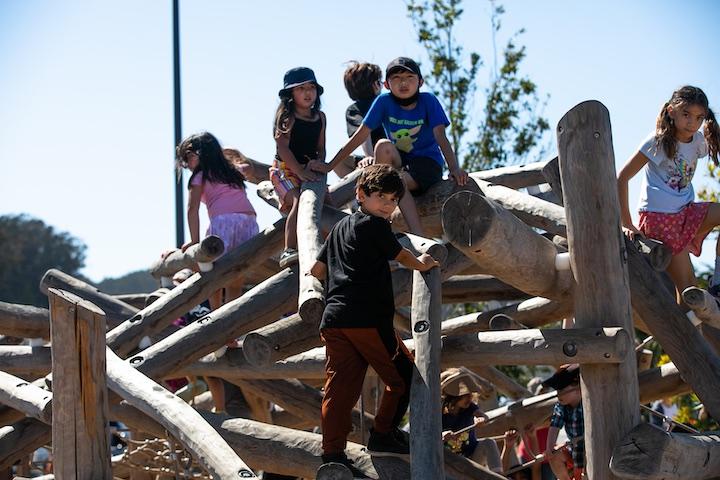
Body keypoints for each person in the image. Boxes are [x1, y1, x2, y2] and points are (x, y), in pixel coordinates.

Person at [309, 164, 440, 475]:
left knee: (339, 389)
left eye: (393, 200)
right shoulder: (376, 225)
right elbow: (401, 255)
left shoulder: (340, 228)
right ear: (361, 195)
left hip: (335, 319)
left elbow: (317, 270)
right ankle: (382, 434)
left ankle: (332, 454)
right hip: (366, 317)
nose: (387, 205)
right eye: (380, 196)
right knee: (405, 376)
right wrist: (422, 265)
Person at [309, 56, 468, 235]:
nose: (403, 83)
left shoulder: (428, 101)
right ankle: (374, 215)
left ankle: (419, 237)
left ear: (421, 82)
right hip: (401, 162)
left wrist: (455, 168)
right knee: (383, 146)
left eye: (409, 78)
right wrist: (329, 166)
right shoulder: (384, 102)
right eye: (396, 79)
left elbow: (440, 136)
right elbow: (359, 136)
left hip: (426, 164)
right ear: (386, 85)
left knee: (395, 180)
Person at [176, 132, 259, 413]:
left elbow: (191, 209)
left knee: (212, 279)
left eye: (187, 157)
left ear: (199, 153)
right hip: (249, 223)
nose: (186, 163)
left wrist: (196, 242)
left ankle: (216, 328)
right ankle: (231, 332)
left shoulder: (200, 175)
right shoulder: (229, 171)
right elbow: (246, 170)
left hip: (222, 224)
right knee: (235, 281)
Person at [618, 85, 720, 305]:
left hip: (686, 213)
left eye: (699, 117)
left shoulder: (699, 142)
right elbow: (621, 178)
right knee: (689, 290)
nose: (692, 123)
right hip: (660, 219)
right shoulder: (657, 142)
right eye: (686, 115)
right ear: (672, 111)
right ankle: (686, 337)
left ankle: (718, 283)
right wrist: (626, 223)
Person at [270, 66, 327, 267]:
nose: (308, 92)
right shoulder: (288, 118)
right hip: (285, 169)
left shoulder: (320, 117)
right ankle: (289, 249)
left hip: (309, 168)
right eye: (301, 88)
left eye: (311, 87)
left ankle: (326, 248)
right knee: (299, 201)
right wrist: (300, 172)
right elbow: (283, 149)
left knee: (326, 202)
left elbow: (321, 148)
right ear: (290, 94)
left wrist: (319, 162)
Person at [440, 367, 502, 473]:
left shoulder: (470, 407)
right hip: (449, 463)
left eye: (470, 394)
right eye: (465, 394)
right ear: (452, 396)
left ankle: (498, 475)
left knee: (489, 443)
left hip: (472, 458)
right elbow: (430, 437)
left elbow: (483, 417)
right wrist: (441, 436)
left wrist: (481, 419)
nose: (469, 397)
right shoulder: (438, 413)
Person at [334, 61, 386, 177]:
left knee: (338, 163)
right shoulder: (356, 109)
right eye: (379, 81)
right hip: (374, 156)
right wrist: (370, 158)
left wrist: (369, 157)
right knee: (338, 161)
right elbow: (363, 133)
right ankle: (365, 187)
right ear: (374, 84)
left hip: (387, 153)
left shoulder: (384, 103)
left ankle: (363, 187)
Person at [543, 364, 584, 480]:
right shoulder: (561, 406)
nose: (558, 394)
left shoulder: (589, 402)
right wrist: (549, 448)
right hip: (574, 448)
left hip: (591, 448)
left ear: (577, 386)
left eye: (561, 389)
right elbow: (554, 426)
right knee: (554, 455)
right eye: (557, 390)